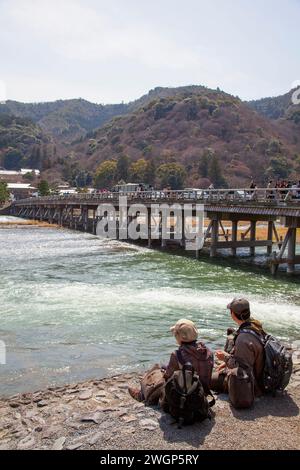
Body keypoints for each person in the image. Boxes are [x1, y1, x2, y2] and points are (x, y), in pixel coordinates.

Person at [128, 319, 214, 402]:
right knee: (164, 367)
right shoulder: (208, 352)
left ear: (179, 337)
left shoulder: (177, 355)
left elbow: (167, 377)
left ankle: (141, 395)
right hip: (202, 395)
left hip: (184, 397)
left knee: (157, 371)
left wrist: (162, 372)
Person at [211, 298, 265, 404]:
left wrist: (225, 358)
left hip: (251, 383)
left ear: (233, 314)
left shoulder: (243, 339)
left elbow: (242, 369)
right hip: (260, 374)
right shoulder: (255, 325)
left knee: (207, 379)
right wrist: (226, 362)